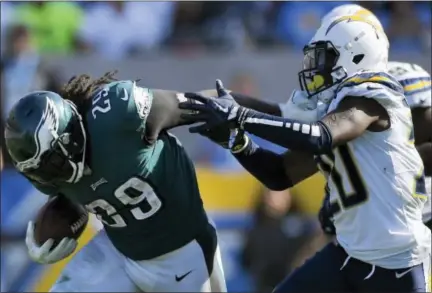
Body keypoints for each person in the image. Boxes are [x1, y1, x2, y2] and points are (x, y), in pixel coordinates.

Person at [179, 12, 431, 293]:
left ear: (357, 55)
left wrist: (240, 116)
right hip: (348, 253)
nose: (316, 67)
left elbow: (320, 137)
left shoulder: (371, 97)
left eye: (325, 57)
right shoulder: (330, 108)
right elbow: (279, 175)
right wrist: (235, 141)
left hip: (397, 263)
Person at [2, 71, 250, 292]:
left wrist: (275, 113)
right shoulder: (50, 170)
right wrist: (46, 231)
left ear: (68, 138)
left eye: (50, 163)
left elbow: (208, 104)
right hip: (119, 250)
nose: (48, 176)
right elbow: (75, 194)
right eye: (38, 170)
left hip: (183, 253)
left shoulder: (118, 115)